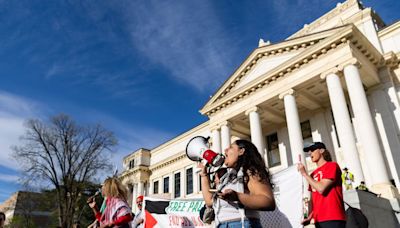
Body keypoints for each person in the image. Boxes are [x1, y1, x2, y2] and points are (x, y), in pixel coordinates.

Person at [200, 139, 276, 228]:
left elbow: (268, 202)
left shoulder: (251, 171)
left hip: (242, 224)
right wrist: (204, 175)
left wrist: (237, 196)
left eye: (231, 147)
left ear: (241, 151)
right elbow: (209, 202)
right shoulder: (228, 178)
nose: (225, 150)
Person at [298, 142, 346, 228]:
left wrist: (305, 174)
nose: (309, 153)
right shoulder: (312, 174)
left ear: (321, 150)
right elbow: (314, 199)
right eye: (308, 151)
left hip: (333, 216)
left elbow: (321, 188)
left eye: (312, 150)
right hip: (318, 220)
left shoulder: (332, 166)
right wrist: (309, 216)